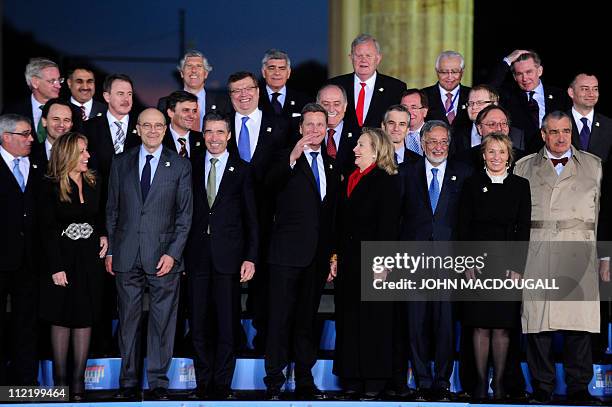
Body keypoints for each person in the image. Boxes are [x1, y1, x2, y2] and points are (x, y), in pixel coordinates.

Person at [513, 111, 605, 404]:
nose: (561, 137)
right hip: (538, 248)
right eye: (554, 132)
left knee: (578, 324)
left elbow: (606, 215)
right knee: (538, 323)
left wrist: (607, 256)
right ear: (543, 134)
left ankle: (579, 387)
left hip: (580, 249)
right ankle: (542, 386)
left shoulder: (594, 166)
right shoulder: (523, 167)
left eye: (566, 130)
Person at [105, 108, 192, 401]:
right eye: (147, 125)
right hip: (127, 256)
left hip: (163, 259)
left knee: (162, 323)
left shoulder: (180, 165)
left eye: (158, 126)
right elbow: (112, 210)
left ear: (165, 129)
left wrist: (173, 254)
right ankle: (128, 383)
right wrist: (112, 252)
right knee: (128, 322)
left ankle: (157, 383)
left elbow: (184, 216)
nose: (153, 130)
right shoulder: (121, 163)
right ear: (137, 129)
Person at [263, 103, 339, 401]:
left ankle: (305, 380)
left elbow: (331, 215)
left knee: (306, 321)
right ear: (300, 128)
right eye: (310, 125)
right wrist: (292, 158)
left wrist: (332, 254)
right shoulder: (284, 158)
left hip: (316, 257)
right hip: (285, 255)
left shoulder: (332, 165)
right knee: (279, 319)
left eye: (320, 125)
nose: (315, 130)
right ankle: (274, 381)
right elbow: (267, 187)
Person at [184, 112, 258, 401]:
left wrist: (250, 257)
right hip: (196, 257)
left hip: (230, 259)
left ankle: (223, 384)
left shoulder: (243, 169)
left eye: (219, 132)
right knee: (199, 324)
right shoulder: (189, 167)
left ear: (229, 135)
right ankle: (203, 382)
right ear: (203, 135)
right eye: (209, 132)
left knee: (228, 325)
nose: (214, 138)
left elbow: (252, 219)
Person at [399, 120, 472, 401]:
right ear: (423, 143)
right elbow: (399, 217)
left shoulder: (463, 174)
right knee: (415, 324)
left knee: (444, 324)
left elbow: (466, 221)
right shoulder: (407, 173)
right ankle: (421, 380)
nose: (438, 147)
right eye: (432, 142)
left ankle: (441, 381)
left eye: (443, 142)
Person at [458, 132, 531, 401]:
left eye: (501, 152)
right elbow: (462, 227)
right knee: (479, 325)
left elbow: (523, 228)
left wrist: (517, 266)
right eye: (491, 151)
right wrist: (467, 263)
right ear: (484, 155)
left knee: (502, 326)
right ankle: (478, 384)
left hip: (507, 263)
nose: (496, 157)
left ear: (509, 155)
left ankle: (499, 384)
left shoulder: (521, 185)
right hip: (477, 263)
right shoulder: (471, 184)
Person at [331, 127, 401, 401]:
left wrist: (383, 262)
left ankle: (373, 379)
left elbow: (387, 226)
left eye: (361, 145)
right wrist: (334, 256)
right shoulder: (350, 178)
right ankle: (352, 377)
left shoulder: (385, 181)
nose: (355, 149)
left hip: (374, 263)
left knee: (374, 322)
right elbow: (340, 222)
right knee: (349, 319)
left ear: (376, 150)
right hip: (349, 262)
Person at [38, 132, 108, 401]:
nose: (87, 156)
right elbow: (46, 230)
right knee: (61, 317)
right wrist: (56, 267)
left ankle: (78, 386)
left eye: (87, 150)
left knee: (84, 316)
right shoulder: (49, 185)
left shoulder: (93, 181)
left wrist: (103, 235)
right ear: (67, 155)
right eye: (81, 152)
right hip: (61, 261)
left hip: (89, 260)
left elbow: (100, 215)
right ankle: (60, 385)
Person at [227, 71, 288, 352]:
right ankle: (231, 341)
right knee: (226, 285)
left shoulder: (280, 125)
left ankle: (263, 343)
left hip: (269, 220)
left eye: (248, 89)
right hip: (228, 220)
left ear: (258, 90)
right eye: (236, 91)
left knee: (265, 286)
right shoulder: (220, 127)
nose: (243, 95)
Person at [0, 114, 41, 386]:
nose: (30, 139)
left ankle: (26, 383)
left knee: (27, 323)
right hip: (1, 258)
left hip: (30, 260)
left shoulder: (37, 165)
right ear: (6, 137)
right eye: (24, 134)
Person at [489, 50, 569, 152]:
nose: (525, 78)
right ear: (514, 77)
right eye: (519, 74)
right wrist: (507, 61)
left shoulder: (560, 96)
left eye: (529, 72)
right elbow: (488, 92)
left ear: (539, 71)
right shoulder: (508, 96)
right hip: (521, 158)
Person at [328, 33, 406, 130]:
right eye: (359, 56)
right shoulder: (335, 86)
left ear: (378, 59)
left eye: (368, 56)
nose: (363, 60)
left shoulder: (396, 88)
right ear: (351, 58)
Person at [157, 50, 229, 130]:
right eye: (189, 66)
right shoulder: (165, 103)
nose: (194, 70)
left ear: (206, 74)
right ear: (181, 73)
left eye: (199, 66)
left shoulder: (223, 103)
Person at [450, 84, 525, 155]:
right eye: (471, 103)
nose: (474, 107)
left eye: (480, 103)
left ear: (494, 104)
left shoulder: (516, 135)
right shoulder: (456, 134)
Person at [2, 58, 62, 143]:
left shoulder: (71, 110)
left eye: (59, 80)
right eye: (52, 81)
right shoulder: (13, 111)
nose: (59, 86)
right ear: (35, 82)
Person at [455, 104, 525, 170]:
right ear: (480, 129)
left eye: (503, 123)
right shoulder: (464, 160)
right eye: (492, 124)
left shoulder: (523, 159)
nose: (499, 129)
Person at [259, 49, 310, 133]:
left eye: (282, 68)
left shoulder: (304, 101)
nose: (277, 73)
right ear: (264, 72)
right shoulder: (252, 100)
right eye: (272, 68)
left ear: (288, 73)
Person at [568, 73, 612, 162]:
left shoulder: (609, 125)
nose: (591, 94)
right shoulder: (556, 123)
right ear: (571, 92)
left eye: (595, 89)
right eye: (585, 89)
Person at [317, 84, 359, 175]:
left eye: (336, 104)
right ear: (317, 106)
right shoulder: (306, 135)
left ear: (345, 106)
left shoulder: (359, 135)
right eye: (325, 104)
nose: (331, 109)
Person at [423, 50, 471, 127]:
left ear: (462, 72)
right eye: (444, 72)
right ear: (437, 72)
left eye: (455, 72)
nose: (449, 77)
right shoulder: (423, 96)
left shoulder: (472, 95)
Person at [30, 98, 75, 168]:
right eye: (56, 119)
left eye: (66, 120)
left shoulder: (81, 155)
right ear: (44, 121)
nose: (61, 124)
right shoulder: (30, 154)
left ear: (71, 124)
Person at [163, 90, 206, 161]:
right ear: (171, 113)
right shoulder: (159, 139)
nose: (192, 116)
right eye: (186, 110)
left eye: (194, 111)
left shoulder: (203, 140)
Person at [400, 89, 429, 156]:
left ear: (424, 111)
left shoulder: (435, 134)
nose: (409, 112)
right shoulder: (392, 135)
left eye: (414, 107)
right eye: (404, 108)